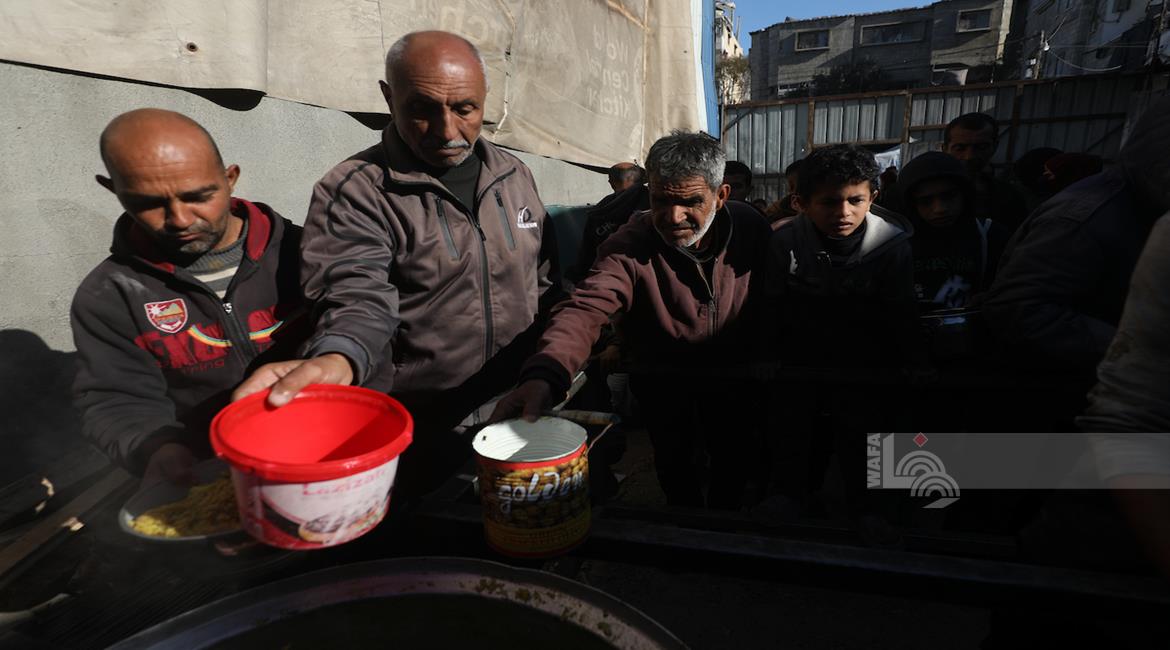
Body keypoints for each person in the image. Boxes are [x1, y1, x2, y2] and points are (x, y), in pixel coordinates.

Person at [234, 31, 560, 494]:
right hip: (417, 428)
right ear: (389, 98)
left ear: (487, 98)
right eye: (422, 109)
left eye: (465, 108)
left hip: (516, 408)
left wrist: (545, 371)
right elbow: (355, 295)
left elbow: (543, 282)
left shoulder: (514, 175)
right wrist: (340, 355)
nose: (447, 131)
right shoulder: (356, 191)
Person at [491, 131, 771, 509]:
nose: (673, 217)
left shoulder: (750, 228)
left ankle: (726, 525)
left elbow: (775, 297)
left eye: (690, 202)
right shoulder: (630, 242)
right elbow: (585, 307)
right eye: (661, 201)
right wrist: (545, 374)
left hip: (735, 375)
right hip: (662, 378)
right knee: (674, 460)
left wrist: (767, 354)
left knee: (732, 458)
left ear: (720, 196)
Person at [71, 109, 306, 485]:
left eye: (197, 196)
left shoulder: (308, 253)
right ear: (113, 190)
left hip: (330, 447)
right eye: (148, 202)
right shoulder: (109, 295)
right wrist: (157, 446)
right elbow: (115, 398)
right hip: (214, 477)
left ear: (230, 178)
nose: (180, 219)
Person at [762, 144, 919, 534]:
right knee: (792, 430)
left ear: (873, 197)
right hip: (800, 359)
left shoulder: (893, 245)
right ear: (802, 203)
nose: (843, 212)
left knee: (863, 433)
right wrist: (768, 353)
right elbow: (771, 303)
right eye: (829, 202)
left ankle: (870, 509)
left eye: (855, 200)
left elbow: (901, 309)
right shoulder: (784, 242)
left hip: (865, 361)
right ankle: (789, 498)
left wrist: (913, 360)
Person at [981, 99, 1170, 379]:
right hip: (1070, 381)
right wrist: (1141, 353)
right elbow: (1018, 308)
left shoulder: (1144, 207)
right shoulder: (1078, 220)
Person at [898, 151, 1009, 310]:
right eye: (926, 201)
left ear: (965, 194)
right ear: (911, 204)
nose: (939, 209)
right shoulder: (897, 241)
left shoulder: (989, 236)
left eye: (949, 196)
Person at [943, 112, 1028, 232]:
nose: (969, 156)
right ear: (945, 149)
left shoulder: (1009, 197)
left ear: (995, 146)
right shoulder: (925, 191)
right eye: (960, 148)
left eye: (981, 147)